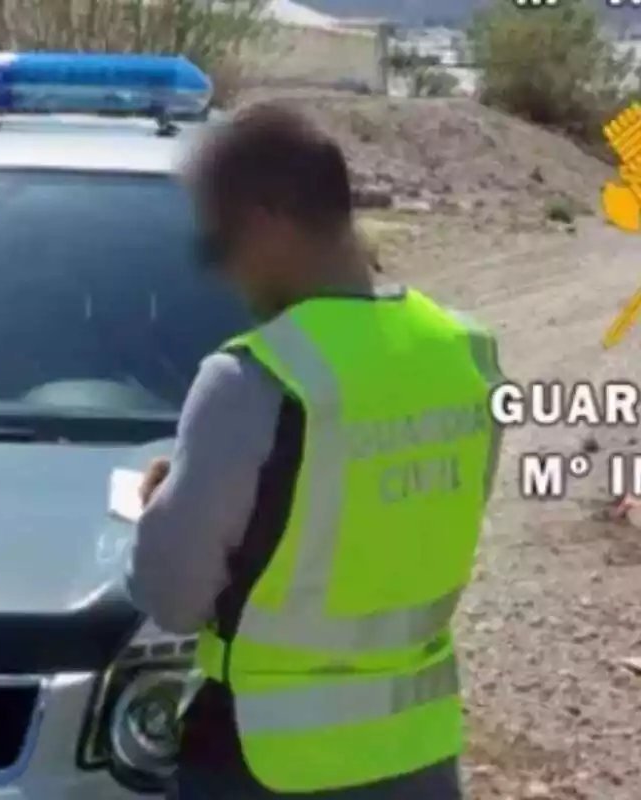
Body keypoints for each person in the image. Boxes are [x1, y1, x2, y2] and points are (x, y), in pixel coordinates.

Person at [126, 103, 504, 799]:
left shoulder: (255, 379)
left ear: (267, 221)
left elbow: (171, 599)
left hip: (269, 764)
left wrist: (158, 509)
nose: (223, 275)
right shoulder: (468, 355)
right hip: (418, 757)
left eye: (217, 246)